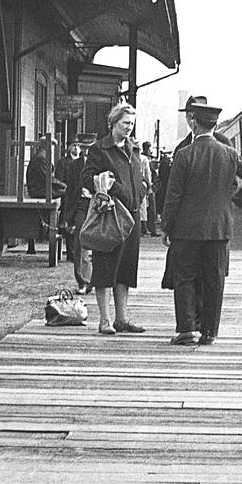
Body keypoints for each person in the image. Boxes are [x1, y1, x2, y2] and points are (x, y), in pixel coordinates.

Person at [163, 95, 242, 346]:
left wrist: (167, 227)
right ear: (215, 126)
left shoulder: (184, 155)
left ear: (195, 124)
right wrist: (233, 201)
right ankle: (210, 333)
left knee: (184, 277)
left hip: (186, 229)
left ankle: (186, 329)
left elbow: (173, 196)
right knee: (214, 279)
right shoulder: (230, 154)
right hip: (220, 228)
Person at [81, 102, 151, 335]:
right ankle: (105, 320)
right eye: (125, 123)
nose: (129, 127)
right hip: (111, 216)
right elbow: (87, 177)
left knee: (126, 268)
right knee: (105, 266)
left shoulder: (134, 148)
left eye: (131, 123)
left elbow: (141, 177)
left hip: (132, 217)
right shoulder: (100, 149)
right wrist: (111, 186)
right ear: (113, 123)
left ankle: (122, 319)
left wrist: (141, 190)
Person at [57, 136, 94, 291]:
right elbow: (70, 192)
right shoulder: (74, 166)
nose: (86, 150)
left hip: (98, 206)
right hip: (80, 206)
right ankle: (83, 281)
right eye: (83, 147)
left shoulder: (102, 164)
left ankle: (95, 280)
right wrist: (67, 217)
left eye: (89, 147)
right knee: (80, 243)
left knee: (97, 243)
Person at [22, 135, 64, 255]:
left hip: (39, 188)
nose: (52, 148)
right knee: (66, 194)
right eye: (51, 145)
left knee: (63, 192)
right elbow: (47, 178)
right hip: (39, 191)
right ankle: (62, 224)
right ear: (46, 145)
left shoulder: (42, 156)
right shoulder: (42, 157)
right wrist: (63, 185)